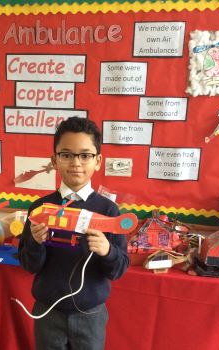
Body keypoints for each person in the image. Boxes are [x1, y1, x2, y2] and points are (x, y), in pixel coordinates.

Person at [18, 116, 129, 350]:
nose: (76, 163)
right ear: (54, 160)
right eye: (66, 155)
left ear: (98, 161)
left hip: (90, 314)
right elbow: (28, 265)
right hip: (48, 312)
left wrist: (107, 251)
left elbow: (118, 269)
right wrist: (36, 243)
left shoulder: (109, 211)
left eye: (85, 155)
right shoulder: (40, 209)